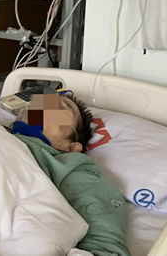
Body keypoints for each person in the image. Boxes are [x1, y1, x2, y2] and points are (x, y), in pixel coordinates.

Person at [10, 93, 130, 256]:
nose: (46, 106)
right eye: (43, 102)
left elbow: (104, 238)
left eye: (64, 106)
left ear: (72, 148)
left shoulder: (70, 166)